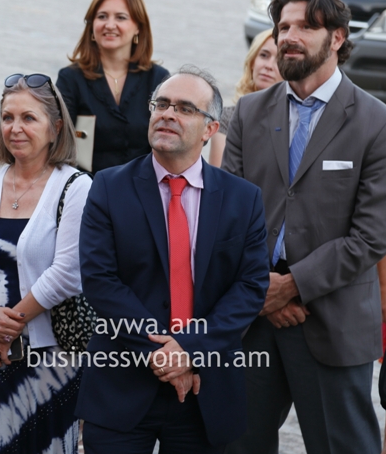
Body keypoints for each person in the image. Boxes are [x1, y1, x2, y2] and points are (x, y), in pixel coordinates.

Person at [223, 0, 386, 454]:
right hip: (252, 319)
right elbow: (226, 217)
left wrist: (291, 285)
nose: (289, 37)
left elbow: (371, 236)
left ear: (337, 37)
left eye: (305, 26)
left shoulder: (379, 123)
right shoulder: (249, 113)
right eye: (283, 27)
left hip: (332, 322)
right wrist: (264, 290)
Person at [77, 66, 269, 453]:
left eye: (184, 108)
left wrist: (189, 350)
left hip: (205, 389)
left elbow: (249, 288)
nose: (167, 114)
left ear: (210, 129)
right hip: (121, 383)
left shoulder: (243, 199)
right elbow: (100, 280)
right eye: (161, 104)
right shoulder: (108, 186)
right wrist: (163, 354)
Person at [0, 73, 91, 454]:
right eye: (7, 117)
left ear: (55, 127)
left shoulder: (76, 187)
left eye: (29, 118)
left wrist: (4, 329)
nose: (15, 128)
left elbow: (68, 273)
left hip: (46, 358)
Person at [56, 0, 170, 174]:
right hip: (88, 185)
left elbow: (172, 138)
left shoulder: (158, 78)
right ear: (91, 26)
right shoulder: (70, 79)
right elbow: (57, 143)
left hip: (144, 184)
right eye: (102, 16)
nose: (109, 25)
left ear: (138, 27)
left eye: (120, 17)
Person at [208, 29, 281, 167]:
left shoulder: (292, 118)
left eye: (279, 60)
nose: (268, 66)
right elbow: (219, 174)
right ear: (252, 61)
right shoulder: (228, 117)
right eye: (264, 55)